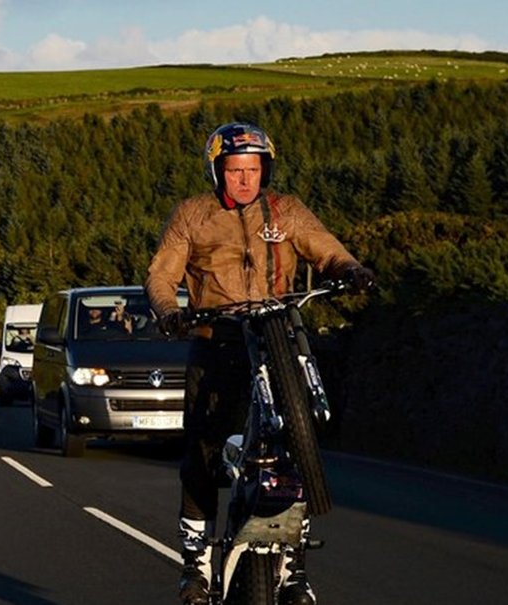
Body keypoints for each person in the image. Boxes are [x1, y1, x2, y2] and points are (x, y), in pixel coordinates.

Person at [144, 122, 375, 605]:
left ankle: (294, 571)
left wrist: (350, 270)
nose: (245, 180)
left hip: (279, 335)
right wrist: (168, 312)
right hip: (217, 338)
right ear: (217, 171)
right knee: (203, 451)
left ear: (265, 169)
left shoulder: (286, 210)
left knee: (299, 443)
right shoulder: (192, 215)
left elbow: (326, 248)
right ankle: (197, 566)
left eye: (253, 169)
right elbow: (162, 274)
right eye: (234, 171)